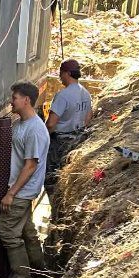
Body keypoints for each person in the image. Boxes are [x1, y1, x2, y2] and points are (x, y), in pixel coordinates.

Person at [0, 81, 50, 278]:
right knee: (27, 231)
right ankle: (40, 270)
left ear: (26, 100)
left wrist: (11, 193)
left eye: (15, 98)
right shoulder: (21, 124)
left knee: (8, 232)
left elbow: (30, 165)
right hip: (23, 191)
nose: (11, 101)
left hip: (21, 192)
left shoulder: (35, 130)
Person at [45, 58, 93, 214]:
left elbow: (51, 124)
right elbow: (88, 116)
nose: (59, 77)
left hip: (59, 143)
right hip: (78, 140)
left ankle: (56, 213)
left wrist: (43, 139)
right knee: (67, 180)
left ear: (66, 73)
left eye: (60, 74)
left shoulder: (63, 96)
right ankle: (63, 211)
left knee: (52, 179)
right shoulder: (85, 93)